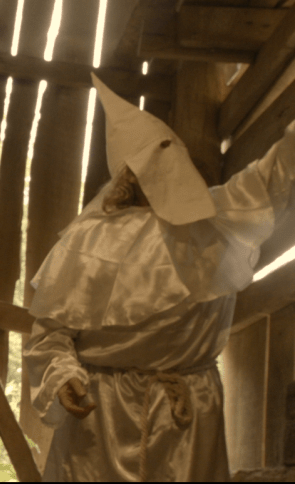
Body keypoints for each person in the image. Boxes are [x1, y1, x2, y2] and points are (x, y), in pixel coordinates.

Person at [25, 74, 295, 481]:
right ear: (128, 174)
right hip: (102, 420)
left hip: (186, 417)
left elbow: (275, 175)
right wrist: (62, 376)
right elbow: (51, 334)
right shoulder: (89, 240)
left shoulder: (216, 223)